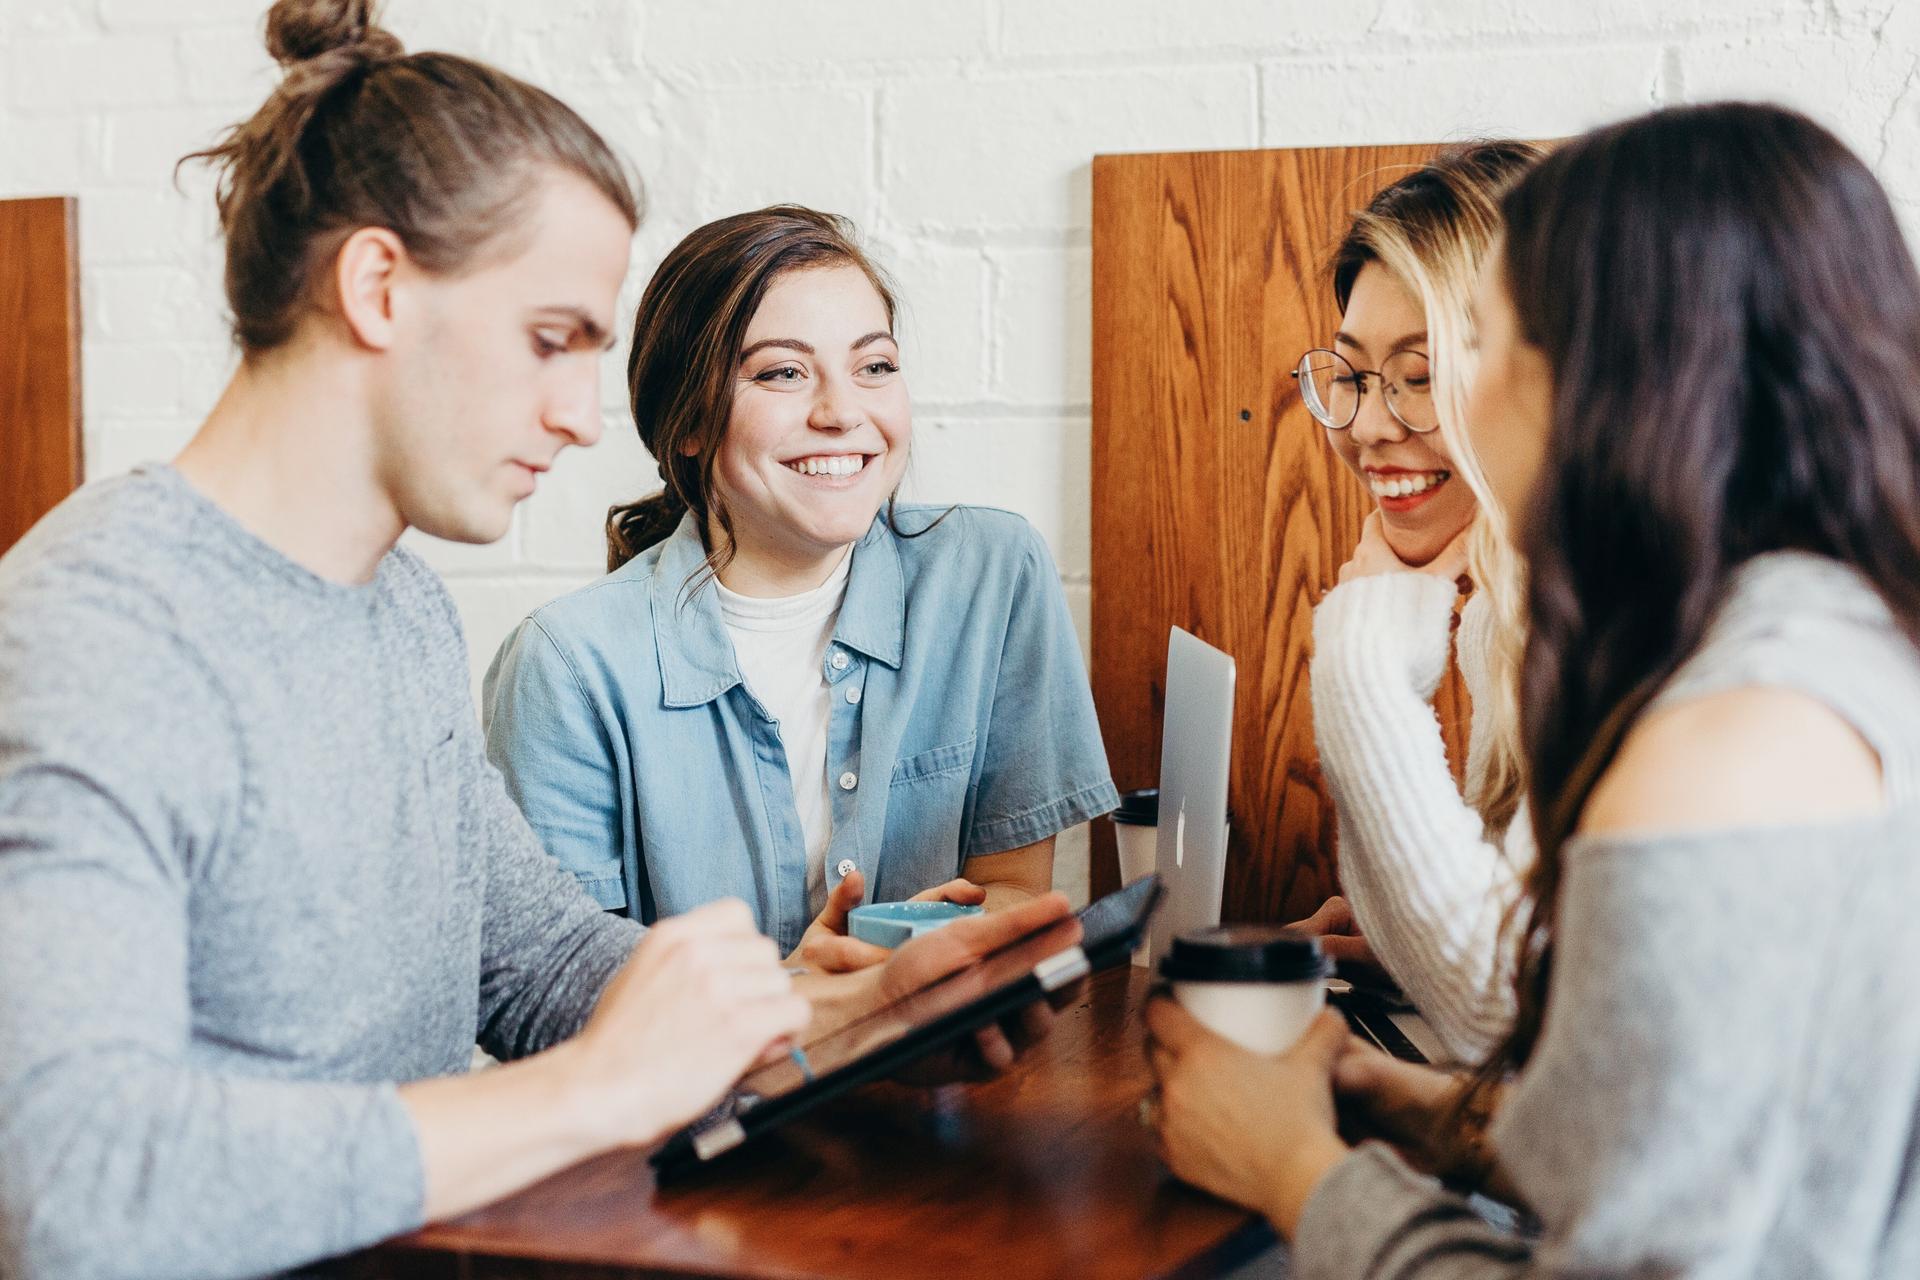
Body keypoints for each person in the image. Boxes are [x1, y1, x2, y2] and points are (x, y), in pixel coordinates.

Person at [0, 6, 1074, 1277]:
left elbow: (539, 959)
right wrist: (596, 1092)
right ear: (378, 287)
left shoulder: (393, 607)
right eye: (549, 339)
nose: (580, 417)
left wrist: (834, 1021)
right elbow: (71, 1184)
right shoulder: (93, 633)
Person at [1148, 101, 1920, 1274]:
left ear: (1617, 374)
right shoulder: (1827, 640)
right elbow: (1694, 1152)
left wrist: (1295, 1169)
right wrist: (1422, 1111)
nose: (1426, 410)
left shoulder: (1726, 738)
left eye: (1487, 342)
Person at [483, 205, 1119, 970]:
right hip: (708, 1090)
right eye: (783, 372)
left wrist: (917, 951)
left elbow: (1014, 891)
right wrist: (805, 998)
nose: (843, 412)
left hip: (939, 1074)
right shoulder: (566, 665)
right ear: (685, 422)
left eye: (874, 366)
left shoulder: (991, 575)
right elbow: (567, 994)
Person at [1287, 142, 1541, 1063]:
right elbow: (1526, 977)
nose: (1367, 425)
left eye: (1421, 375)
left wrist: (1361, 653)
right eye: (1351, 375)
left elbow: (1499, 1013)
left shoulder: (1611, 620)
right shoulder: (1503, 610)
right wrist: (1405, 940)